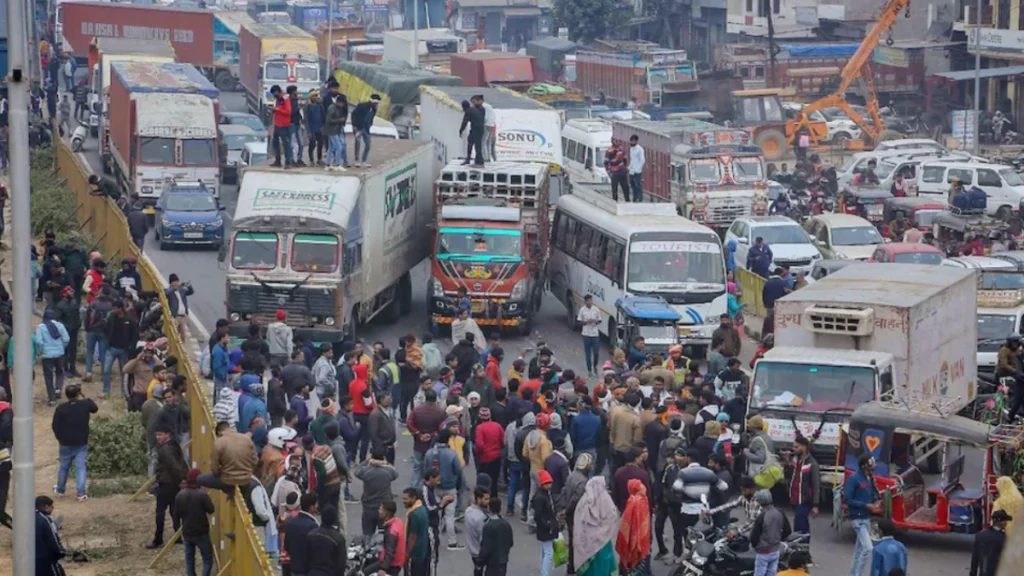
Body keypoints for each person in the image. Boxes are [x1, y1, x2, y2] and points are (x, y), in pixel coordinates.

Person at [51, 383, 98, 500]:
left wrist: (59, 438)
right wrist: (84, 396)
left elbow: (55, 426)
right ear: (78, 394)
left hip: (65, 442)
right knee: (80, 467)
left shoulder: (61, 408)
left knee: (63, 467)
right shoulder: (84, 405)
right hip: (81, 441)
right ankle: (81, 494)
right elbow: (95, 408)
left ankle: (60, 490)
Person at [151, 423, 188, 548]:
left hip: (167, 483)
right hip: (173, 483)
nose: (158, 437)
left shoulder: (165, 450)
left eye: (160, 435)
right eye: (157, 435)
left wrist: (179, 480)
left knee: (160, 512)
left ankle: (158, 539)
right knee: (174, 511)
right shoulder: (174, 445)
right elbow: (181, 463)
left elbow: (173, 466)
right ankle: (178, 536)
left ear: (167, 435)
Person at [845, 453, 881, 576]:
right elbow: (848, 499)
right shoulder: (854, 479)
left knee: (859, 550)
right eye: (871, 462)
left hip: (866, 518)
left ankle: (854, 573)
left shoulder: (869, 478)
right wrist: (865, 506)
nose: (874, 464)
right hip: (858, 518)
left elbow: (872, 494)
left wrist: (876, 501)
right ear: (865, 465)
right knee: (868, 548)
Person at [175, 468, 215, 576]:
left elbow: (176, 515)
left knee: (189, 561)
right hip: (201, 531)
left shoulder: (180, 495)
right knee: (207, 559)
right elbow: (211, 509)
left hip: (187, 531)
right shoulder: (202, 494)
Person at [353, 449, 399, 536]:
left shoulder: (366, 471)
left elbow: (357, 471)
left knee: (367, 534)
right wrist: (386, 463)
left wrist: (365, 461)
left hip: (368, 507)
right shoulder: (388, 472)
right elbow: (395, 472)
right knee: (384, 534)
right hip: (385, 507)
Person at [749, 489, 791, 576]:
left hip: (763, 551)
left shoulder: (761, 516)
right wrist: (778, 538)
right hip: (775, 550)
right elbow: (788, 531)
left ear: (760, 502)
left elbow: (754, 537)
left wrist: (756, 546)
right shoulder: (780, 512)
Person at [616, 478, 652, 576]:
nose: (644, 489)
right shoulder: (637, 502)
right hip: (639, 539)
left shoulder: (638, 501)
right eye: (641, 487)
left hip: (639, 537)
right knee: (639, 566)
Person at [36, 309, 70, 405]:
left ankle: (52, 399)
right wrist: (61, 347)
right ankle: (58, 388)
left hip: (47, 355)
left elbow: (39, 342)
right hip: (59, 353)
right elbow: (66, 338)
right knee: (60, 372)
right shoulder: (60, 325)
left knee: (48, 377)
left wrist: (41, 352)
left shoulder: (40, 327)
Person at [789, 435, 820, 540]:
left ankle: (803, 549)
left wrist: (815, 505)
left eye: (796, 447)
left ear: (803, 447)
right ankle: (801, 550)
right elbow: (788, 476)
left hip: (804, 500)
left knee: (800, 527)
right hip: (794, 499)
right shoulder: (795, 459)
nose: (794, 449)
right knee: (800, 526)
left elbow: (816, 485)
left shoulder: (812, 463)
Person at [284, 493, 320, 576]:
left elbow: (286, 546)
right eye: (316, 504)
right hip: (307, 569)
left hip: (294, 567)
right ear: (311, 507)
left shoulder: (291, 522)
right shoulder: (313, 526)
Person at [306, 505, 346, 576]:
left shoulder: (311, 535)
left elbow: (306, 558)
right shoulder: (338, 539)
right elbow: (341, 566)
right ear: (334, 519)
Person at [533, 470, 559, 576]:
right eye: (547, 483)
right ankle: (544, 573)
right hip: (547, 528)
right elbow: (538, 516)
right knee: (549, 552)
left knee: (545, 550)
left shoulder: (542, 495)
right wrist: (548, 525)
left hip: (546, 527)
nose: (549, 485)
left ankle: (544, 572)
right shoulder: (542, 497)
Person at [479, 496, 513, 576]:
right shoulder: (506, 524)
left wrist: (480, 561)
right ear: (500, 508)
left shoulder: (488, 526)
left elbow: (486, 548)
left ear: (489, 508)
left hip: (492, 562)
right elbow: (510, 542)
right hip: (503, 560)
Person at [970, 509, 1010, 576]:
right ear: (999, 522)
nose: (1006, 523)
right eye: (1004, 520)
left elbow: (975, 557)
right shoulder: (1004, 538)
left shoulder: (980, 535)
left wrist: (973, 573)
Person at [401, 487, 431, 576]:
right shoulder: (422, 509)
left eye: (406, 499)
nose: (403, 501)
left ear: (414, 498)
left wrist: (406, 554)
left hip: (415, 555)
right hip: (423, 553)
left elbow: (412, 537)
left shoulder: (414, 515)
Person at [35, 495, 66, 575]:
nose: (52, 508)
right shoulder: (46, 520)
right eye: (51, 506)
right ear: (46, 507)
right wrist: (61, 552)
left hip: (31, 561)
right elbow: (53, 539)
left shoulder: (28, 517)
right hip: (47, 560)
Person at [373, 500, 406, 575]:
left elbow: (389, 552)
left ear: (386, 512)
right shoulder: (398, 521)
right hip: (399, 561)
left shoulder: (391, 532)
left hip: (392, 565)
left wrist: (383, 569)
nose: (379, 511)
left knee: (365, 572)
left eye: (381, 509)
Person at [466, 486, 490, 575]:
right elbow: (483, 538)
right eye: (486, 499)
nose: (488, 501)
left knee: (477, 571)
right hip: (480, 551)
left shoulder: (469, 511)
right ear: (478, 499)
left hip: (473, 548)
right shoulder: (480, 518)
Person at [351, 94, 380, 167]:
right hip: (359, 127)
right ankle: (357, 160)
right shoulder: (362, 106)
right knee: (357, 143)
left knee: (368, 144)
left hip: (366, 129)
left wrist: (370, 124)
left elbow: (371, 118)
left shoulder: (374, 109)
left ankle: (364, 160)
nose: (376, 105)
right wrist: (354, 125)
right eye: (376, 103)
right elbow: (353, 114)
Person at [269, 85, 294, 167]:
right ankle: (278, 160)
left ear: (277, 91)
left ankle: (288, 162)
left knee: (286, 144)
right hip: (277, 124)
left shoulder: (285, 99)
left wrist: (277, 110)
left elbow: (288, 112)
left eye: (274, 93)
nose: (274, 95)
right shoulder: (278, 100)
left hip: (284, 125)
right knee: (275, 143)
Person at [577, 294, 602, 376]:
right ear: (585, 301)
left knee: (596, 352)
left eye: (591, 300)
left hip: (595, 333)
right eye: (588, 301)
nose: (590, 302)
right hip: (586, 334)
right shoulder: (582, 310)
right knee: (587, 353)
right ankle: (589, 370)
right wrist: (586, 322)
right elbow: (579, 321)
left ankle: (595, 365)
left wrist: (595, 321)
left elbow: (600, 320)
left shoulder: (596, 309)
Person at [459, 97, 487, 167]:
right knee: (470, 142)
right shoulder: (475, 109)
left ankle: (480, 163)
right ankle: (468, 159)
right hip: (477, 129)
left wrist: (460, 131)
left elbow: (464, 123)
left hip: (477, 130)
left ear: (463, 107)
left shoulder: (468, 111)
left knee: (478, 147)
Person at [165, 274, 194, 340]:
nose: (176, 283)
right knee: (174, 335)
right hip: (175, 317)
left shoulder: (182, 290)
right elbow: (166, 294)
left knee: (183, 336)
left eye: (177, 281)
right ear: (171, 283)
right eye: (174, 282)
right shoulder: (169, 291)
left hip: (183, 316)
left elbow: (191, 292)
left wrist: (188, 285)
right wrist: (173, 288)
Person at [628, 135, 645, 202]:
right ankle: (634, 199)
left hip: (637, 171)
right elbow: (632, 160)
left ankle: (640, 199)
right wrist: (629, 167)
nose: (631, 142)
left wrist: (638, 169)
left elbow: (642, 160)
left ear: (636, 141)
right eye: (631, 141)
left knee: (638, 185)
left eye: (633, 141)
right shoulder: (631, 149)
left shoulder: (640, 149)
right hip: (631, 171)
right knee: (633, 186)